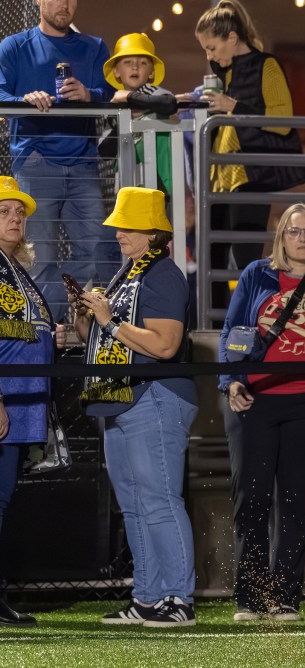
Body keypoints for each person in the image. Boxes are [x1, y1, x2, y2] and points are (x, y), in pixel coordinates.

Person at [219, 202, 305, 622]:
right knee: (252, 499)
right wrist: (231, 382)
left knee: (295, 501)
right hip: (254, 400)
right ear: (281, 236)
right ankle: (250, 598)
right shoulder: (256, 274)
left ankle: (284, 598)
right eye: (294, 231)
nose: (302, 239)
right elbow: (230, 332)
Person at [73, 187, 198, 627]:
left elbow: (165, 345)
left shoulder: (162, 274)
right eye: (118, 226)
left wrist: (108, 319)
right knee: (134, 504)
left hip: (153, 395)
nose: (118, 233)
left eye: (127, 226)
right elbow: (111, 336)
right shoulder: (127, 274)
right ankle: (148, 598)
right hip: (122, 398)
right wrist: (86, 319)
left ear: (152, 232)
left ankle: (179, 599)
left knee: (159, 500)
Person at [0, 0, 115, 321]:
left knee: (95, 248)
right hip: (36, 160)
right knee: (40, 255)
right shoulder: (14, 46)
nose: (64, 4)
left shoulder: (94, 47)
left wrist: (89, 94)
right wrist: (24, 99)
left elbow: (112, 93)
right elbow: (0, 93)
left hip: (83, 162)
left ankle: (60, 317)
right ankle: (45, 329)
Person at [194, 0, 305, 271]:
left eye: (211, 48)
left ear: (232, 38)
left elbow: (283, 120)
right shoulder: (225, 72)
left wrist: (232, 106)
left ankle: (257, 300)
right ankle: (223, 305)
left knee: (246, 256)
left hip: (250, 174)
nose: (209, 56)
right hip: (219, 175)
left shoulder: (266, 65)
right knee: (212, 258)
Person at [0, 178, 62, 628]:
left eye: (19, 212)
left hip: (22, 407)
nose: (15, 218)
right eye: (4, 211)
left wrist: (56, 335)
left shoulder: (16, 270)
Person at [104, 33, 179, 195]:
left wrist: (130, 97)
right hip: (127, 187)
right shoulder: (113, 104)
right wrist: (124, 118)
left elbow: (170, 104)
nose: (135, 67)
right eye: (127, 62)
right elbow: (104, 151)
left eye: (143, 63)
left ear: (151, 72)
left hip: (159, 185)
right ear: (116, 71)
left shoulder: (155, 93)